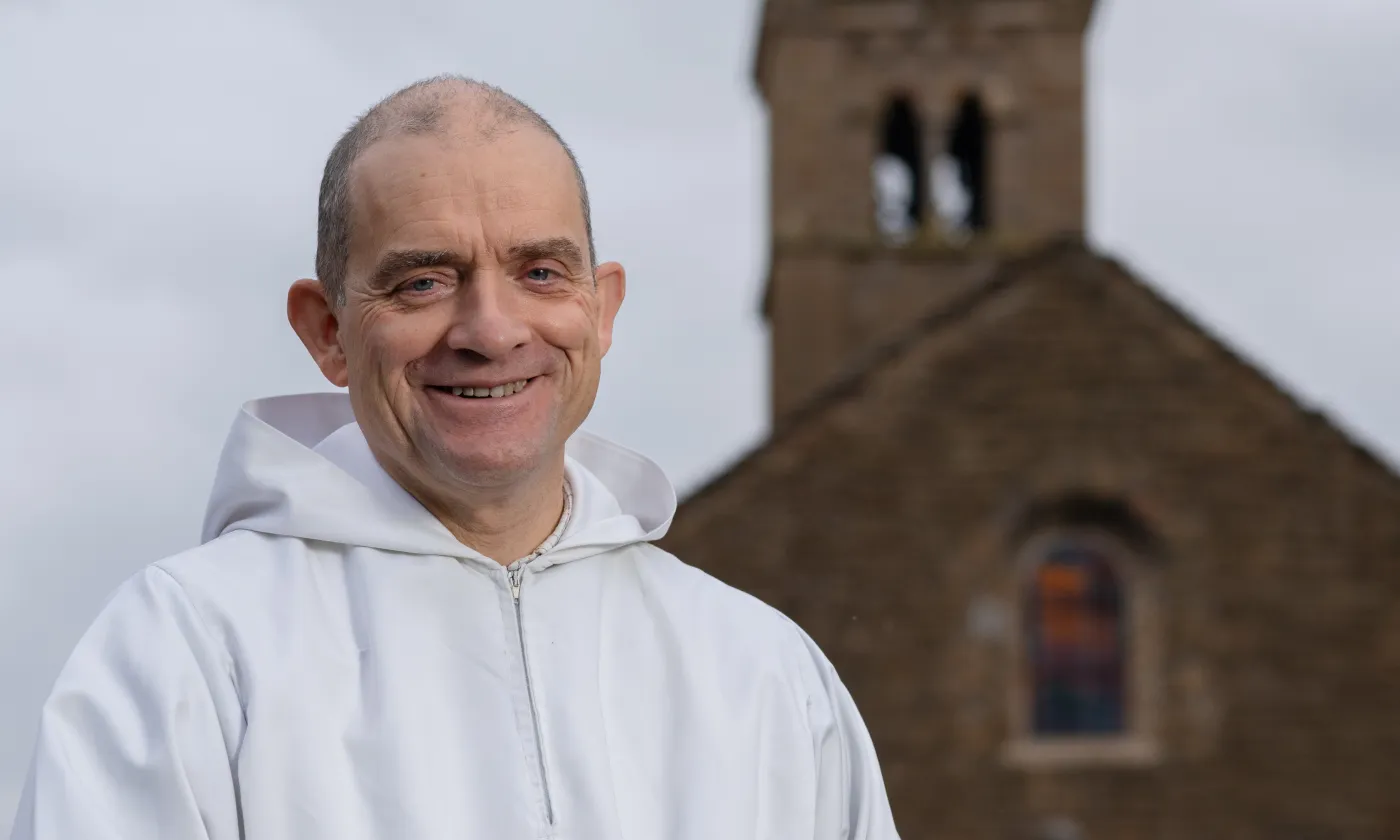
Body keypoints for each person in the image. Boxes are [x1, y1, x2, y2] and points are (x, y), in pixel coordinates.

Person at [11, 76, 900, 840]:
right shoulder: (190, 655)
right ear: (326, 331)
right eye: (424, 281)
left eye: (541, 273)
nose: (490, 330)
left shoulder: (765, 675)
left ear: (602, 308)